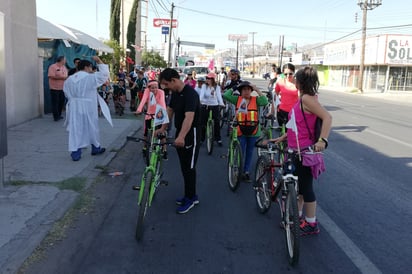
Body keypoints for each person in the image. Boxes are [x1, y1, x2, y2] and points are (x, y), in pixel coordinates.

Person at [265, 66, 332, 236]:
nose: (292, 79)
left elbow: (327, 117)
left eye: (295, 77)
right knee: (300, 187)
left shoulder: (307, 99)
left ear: (300, 81)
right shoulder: (303, 98)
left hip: (304, 151)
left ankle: (311, 223)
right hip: (295, 148)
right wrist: (283, 138)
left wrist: (322, 140)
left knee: (305, 188)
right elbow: (300, 125)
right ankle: (297, 217)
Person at [157, 68, 201, 214]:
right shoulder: (175, 94)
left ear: (174, 80)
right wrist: (163, 127)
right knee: (184, 167)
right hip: (180, 133)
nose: (165, 87)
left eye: (166, 84)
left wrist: (181, 136)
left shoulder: (191, 94)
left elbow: (189, 118)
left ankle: (191, 199)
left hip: (191, 134)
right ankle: (190, 195)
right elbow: (170, 111)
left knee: (189, 168)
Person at [63, 56, 110, 161]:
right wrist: (99, 61)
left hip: (74, 106)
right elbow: (104, 75)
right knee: (91, 126)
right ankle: (95, 147)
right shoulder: (90, 77)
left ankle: (76, 152)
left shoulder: (69, 79)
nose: (91, 69)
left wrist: (74, 99)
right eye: (90, 67)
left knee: (76, 128)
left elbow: (66, 92)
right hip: (88, 105)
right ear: (87, 67)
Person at [223, 81, 268, 182]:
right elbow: (226, 95)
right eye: (244, 89)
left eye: (248, 89)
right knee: (241, 151)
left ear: (251, 91)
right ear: (240, 91)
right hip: (240, 130)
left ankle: (246, 171)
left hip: (254, 130)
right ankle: (237, 170)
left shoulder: (256, 100)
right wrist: (234, 87)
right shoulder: (237, 99)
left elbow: (265, 101)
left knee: (250, 152)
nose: (246, 91)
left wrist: (256, 89)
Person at [135, 80, 168, 160]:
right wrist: (139, 109)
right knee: (146, 132)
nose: (154, 89)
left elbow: (162, 102)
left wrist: (162, 113)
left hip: (159, 112)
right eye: (152, 88)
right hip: (149, 114)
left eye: (156, 87)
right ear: (149, 88)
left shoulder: (161, 92)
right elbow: (143, 100)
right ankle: (145, 147)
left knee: (161, 133)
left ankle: (164, 149)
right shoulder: (147, 91)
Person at [199, 72, 225, 146]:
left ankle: (218, 139)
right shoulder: (204, 86)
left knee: (217, 122)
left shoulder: (217, 87)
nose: (207, 80)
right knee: (203, 123)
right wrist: (199, 101)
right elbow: (202, 95)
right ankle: (201, 139)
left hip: (214, 105)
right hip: (205, 105)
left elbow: (219, 97)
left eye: (209, 78)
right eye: (207, 78)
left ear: (213, 79)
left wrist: (222, 103)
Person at [274, 63, 299, 127]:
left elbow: (302, 99)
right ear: (282, 73)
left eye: (290, 73)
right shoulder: (280, 82)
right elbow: (275, 97)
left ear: (294, 72)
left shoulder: (298, 83)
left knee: (291, 134)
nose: (288, 76)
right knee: (282, 134)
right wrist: (271, 111)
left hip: (294, 113)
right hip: (281, 112)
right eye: (285, 74)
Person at [48, 56, 68, 121]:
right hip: (54, 88)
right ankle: (56, 117)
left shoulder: (64, 67)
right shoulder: (53, 66)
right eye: (65, 60)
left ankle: (59, 114)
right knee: (55, 102)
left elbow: (66, 76)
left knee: (61, 102)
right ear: (61, 60)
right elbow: (51, 76)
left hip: (62, 88)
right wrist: (62, 78)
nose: (65, 61)